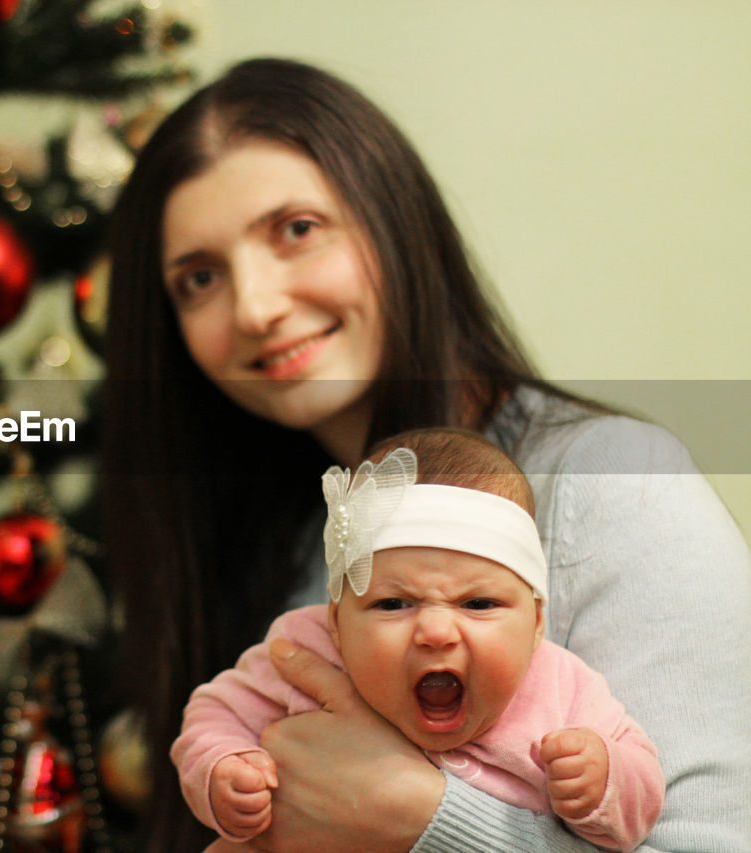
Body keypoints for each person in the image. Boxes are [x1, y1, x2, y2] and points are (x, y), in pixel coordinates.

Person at [99, 57, 751, 852]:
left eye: (297, 230)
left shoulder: (610, 481)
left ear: (394, 220)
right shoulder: (279, 550)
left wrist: (423, 818)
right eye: (200, 278)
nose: (258, 307)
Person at [172, 429, 664, 851]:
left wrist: (605, 780)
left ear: (536, 623)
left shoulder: (562, 688)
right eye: (392, 604)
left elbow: (642, 788)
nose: (434, 632)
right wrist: (223, 768)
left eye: (478, 604)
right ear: (338, 623)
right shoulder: (307, 649)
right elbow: (216, 712)